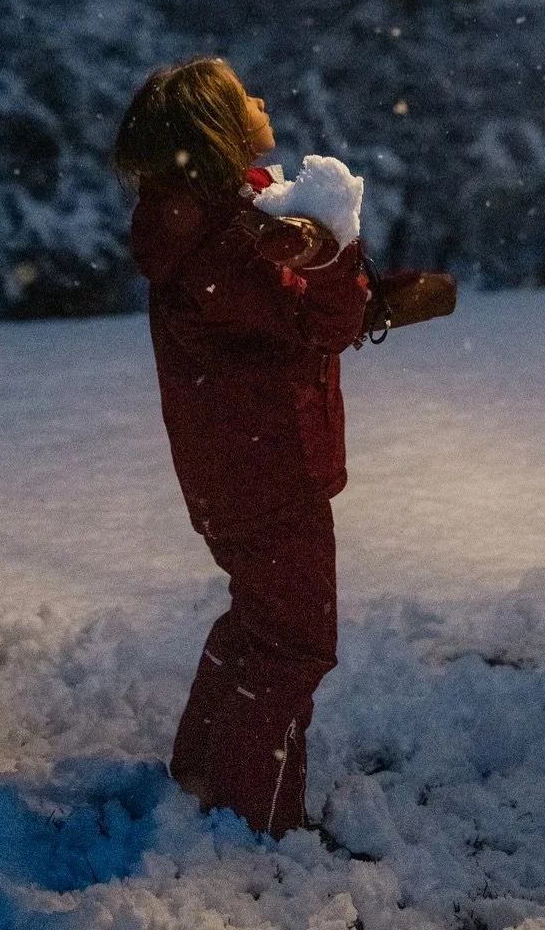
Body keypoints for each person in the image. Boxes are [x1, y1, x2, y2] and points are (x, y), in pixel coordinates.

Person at [114, 56, 375, 839]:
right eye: (244, 99)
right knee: (294, 647)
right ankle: (256, 823)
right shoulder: (234, 241)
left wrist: (356, 285)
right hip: (269, 471)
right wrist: (332, 260)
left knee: (258, 622)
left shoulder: (205, 222)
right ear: (217, 134)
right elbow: (317, 325)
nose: (262, 100)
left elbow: (283, 328)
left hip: (237, 468)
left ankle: (200, 769)